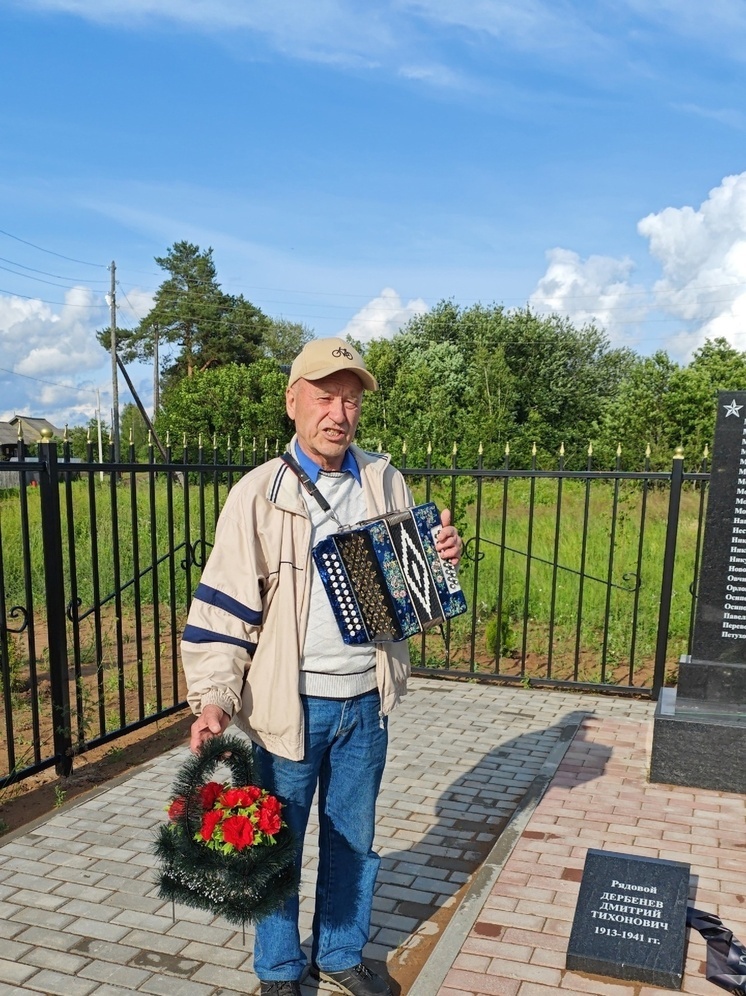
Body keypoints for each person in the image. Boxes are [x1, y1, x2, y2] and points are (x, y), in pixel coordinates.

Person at [181, 337, 462, 996]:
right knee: (275, 846)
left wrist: (441, 557)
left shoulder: (384, 479)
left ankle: (338, 955)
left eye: (351, 398)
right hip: (290, 710)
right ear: (293, 401)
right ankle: (279, 970)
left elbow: (410, 589)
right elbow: (224, 608)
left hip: (365, 703)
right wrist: (214, 698)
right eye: (324, 396)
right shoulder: (259, 493)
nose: (338, 412)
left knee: (354, 843)